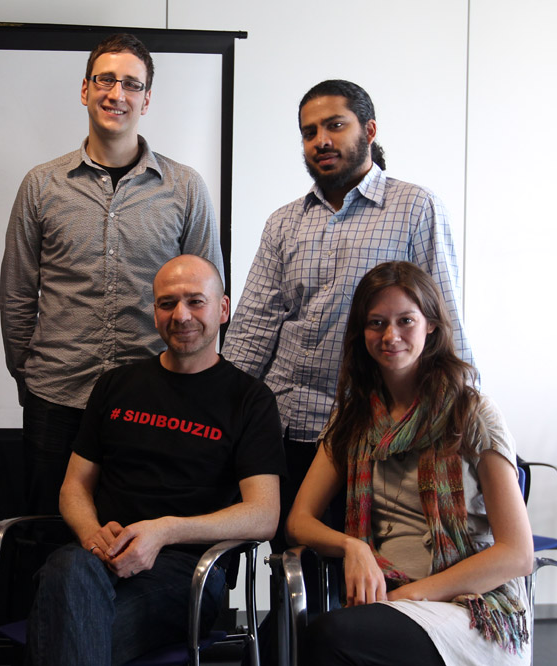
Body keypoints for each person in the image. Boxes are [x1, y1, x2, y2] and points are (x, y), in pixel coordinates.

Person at [222, 79, 474, 551]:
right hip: (285, 428)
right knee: (292, 565)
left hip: (372, 433)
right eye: (309, 131)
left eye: (335, 125)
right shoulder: (284, 222)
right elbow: (253, 327)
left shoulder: (414, 208)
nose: (321, 140)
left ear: (369, 130)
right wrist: (216, 412)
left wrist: (466, 416)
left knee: (367, 569)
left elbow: (445, 321)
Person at [0, 33, 223, 515]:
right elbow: (17, 295)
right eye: (105, 80)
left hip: (154, 402)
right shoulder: (41, 185)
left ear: (147, 98)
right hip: (57, 398)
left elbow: (207, 299)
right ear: (85, 89)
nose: (116, 94)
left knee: (143, 536)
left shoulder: (185, 188)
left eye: (131, 84)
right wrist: (30, 375)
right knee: (46, 533)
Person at [25, 255, 284, 665]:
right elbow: (74, 486)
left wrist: (163, 531)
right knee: (71, 576)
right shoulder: (115, 385)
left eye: (195, 301)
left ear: (223, 309)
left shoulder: (250, 400)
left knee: (65, 625)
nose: (181, 315)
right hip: (96, 560)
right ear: (155, 312)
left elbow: (263, 514)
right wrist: (92, 535)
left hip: (190, 575)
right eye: (167, 303)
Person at [286, 261, 531, 666]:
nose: (390, 336)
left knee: (330, 638)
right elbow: (299, 520)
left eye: (405, 321)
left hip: (470, 609)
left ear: (431, 325)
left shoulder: (471, 412)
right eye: (376, 323)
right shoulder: (354, 419)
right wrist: (353, 546)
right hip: (390, 602)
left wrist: (413, 595)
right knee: (290, 639)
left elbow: (516, 553)